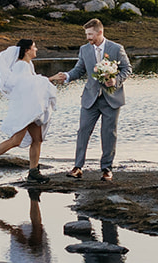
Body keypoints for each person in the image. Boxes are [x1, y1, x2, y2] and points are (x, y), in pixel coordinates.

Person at [49, 18, 131, 181]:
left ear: (100, 32)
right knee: (83, 131)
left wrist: (116, 80)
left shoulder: (116, 48)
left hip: (112, 98)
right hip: (90, 98)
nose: (88, 37)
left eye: (90, 34)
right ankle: (78, 167)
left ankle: (107, 169)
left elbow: (127, 68)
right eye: (86, 34)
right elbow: (79, 70)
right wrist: (66, 76)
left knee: (108, 134)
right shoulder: (84, 50)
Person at [0, 39, 57, 183]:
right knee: (16, 140)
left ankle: (33, 172)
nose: (36, 49)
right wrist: (51, 79)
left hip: (32, 108)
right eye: (34, 47)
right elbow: (26, 85)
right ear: (26, 50)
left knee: (37, 139)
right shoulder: (21, 66)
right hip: (25, 109)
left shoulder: (27, 65)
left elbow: (33, 85)